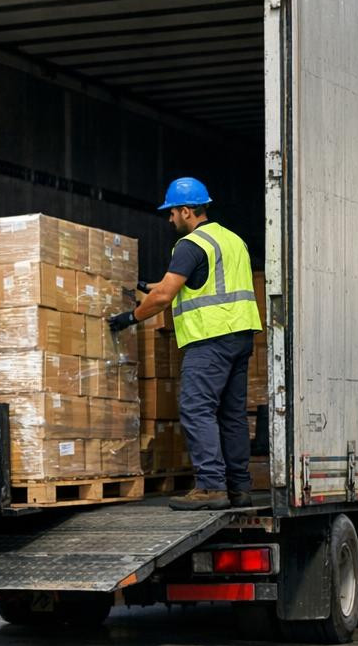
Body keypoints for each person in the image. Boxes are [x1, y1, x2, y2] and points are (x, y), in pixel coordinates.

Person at [109, 177, 262, 511]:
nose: (170, 219)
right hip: (240, 335)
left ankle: (210, 487)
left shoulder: (190, 245)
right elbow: (199, 281)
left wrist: (130, 317)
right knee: (232, 414)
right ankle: (239, 488)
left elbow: (165, 296)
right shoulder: (232, 240)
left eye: (172, 212)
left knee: (197, 409)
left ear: (187, 211)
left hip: (209, 339)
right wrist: (148, 285)